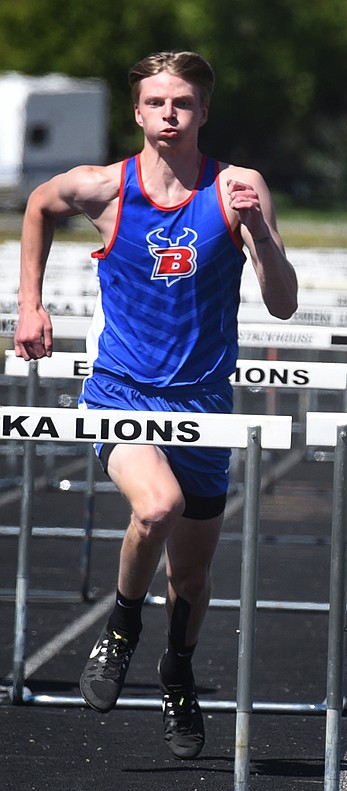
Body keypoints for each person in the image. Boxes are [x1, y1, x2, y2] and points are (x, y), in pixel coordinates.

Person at [14, 51, 298, 760]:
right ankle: (121, 628)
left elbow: (285, 304)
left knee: (194, 576)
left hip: (205, 404)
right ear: (137, 112)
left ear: (204, 112)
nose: (170, 115)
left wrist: (257, 231)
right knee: (156, 506)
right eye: (157, 103)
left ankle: (177, 668)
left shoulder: (236, 187)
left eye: (183, 104)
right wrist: (30, 305)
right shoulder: (106, 188)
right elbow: (38, 206)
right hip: (122, 392)